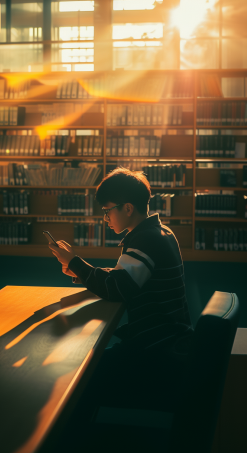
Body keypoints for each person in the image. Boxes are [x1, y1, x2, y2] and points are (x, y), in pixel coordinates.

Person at [49, 167, 193, 416]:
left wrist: (75, 262)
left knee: (75, 379)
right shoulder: (158, 232)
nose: (105, 218)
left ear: (127, 208)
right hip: (169, 338)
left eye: (107, 211)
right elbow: (125, 276)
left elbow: (117, 288)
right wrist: (81, 272)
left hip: (157, 351)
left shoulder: (146, 240)